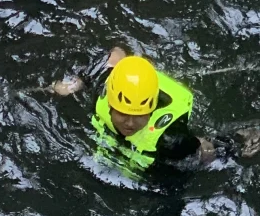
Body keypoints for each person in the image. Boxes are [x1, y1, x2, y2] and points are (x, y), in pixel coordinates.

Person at [53, 47, 214, 176]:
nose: (130, 123)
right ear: (110, 105)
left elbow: (206, 148)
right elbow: (116, 53)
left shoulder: (171, 139)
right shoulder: (102, 87)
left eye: (139, 115)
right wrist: (76, 84)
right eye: (122, 113)